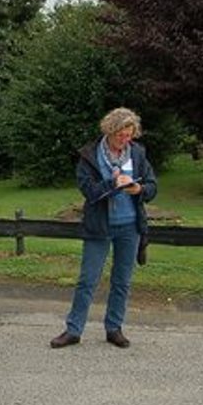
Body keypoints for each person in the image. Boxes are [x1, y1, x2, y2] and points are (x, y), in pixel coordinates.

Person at [50, 107, 158, 350]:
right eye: (121, 135)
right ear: (110, 131)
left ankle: (114, 328)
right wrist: (112, 183)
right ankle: (73, 330)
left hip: (130, 227)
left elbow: (152, 186)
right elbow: (88, 192)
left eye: (129, 135)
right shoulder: (90, 156)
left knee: (122, 281)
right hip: (100, 226)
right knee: (87, 280)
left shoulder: (138, 154)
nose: (125, 140)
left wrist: (138, 189)